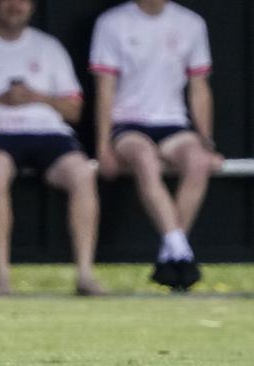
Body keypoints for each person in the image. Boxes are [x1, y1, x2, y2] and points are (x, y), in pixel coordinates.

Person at [0, 0, 106, 296]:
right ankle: (2, 276)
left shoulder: (49, 47)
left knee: (83, 172)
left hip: (46, 130)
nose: (14, 5)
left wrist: (35, 96)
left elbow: (74, 110)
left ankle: (85, 273)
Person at [90, 0, 223, 291]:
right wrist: (103, 147)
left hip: (173, 123)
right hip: (128, 123)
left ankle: (173, 254)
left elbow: (199, 87)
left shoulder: (191, 23)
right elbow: (105, 88)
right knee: (145, 158)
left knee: (199, 161)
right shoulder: (112, 23)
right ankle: (180, 252)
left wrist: (206, 140)